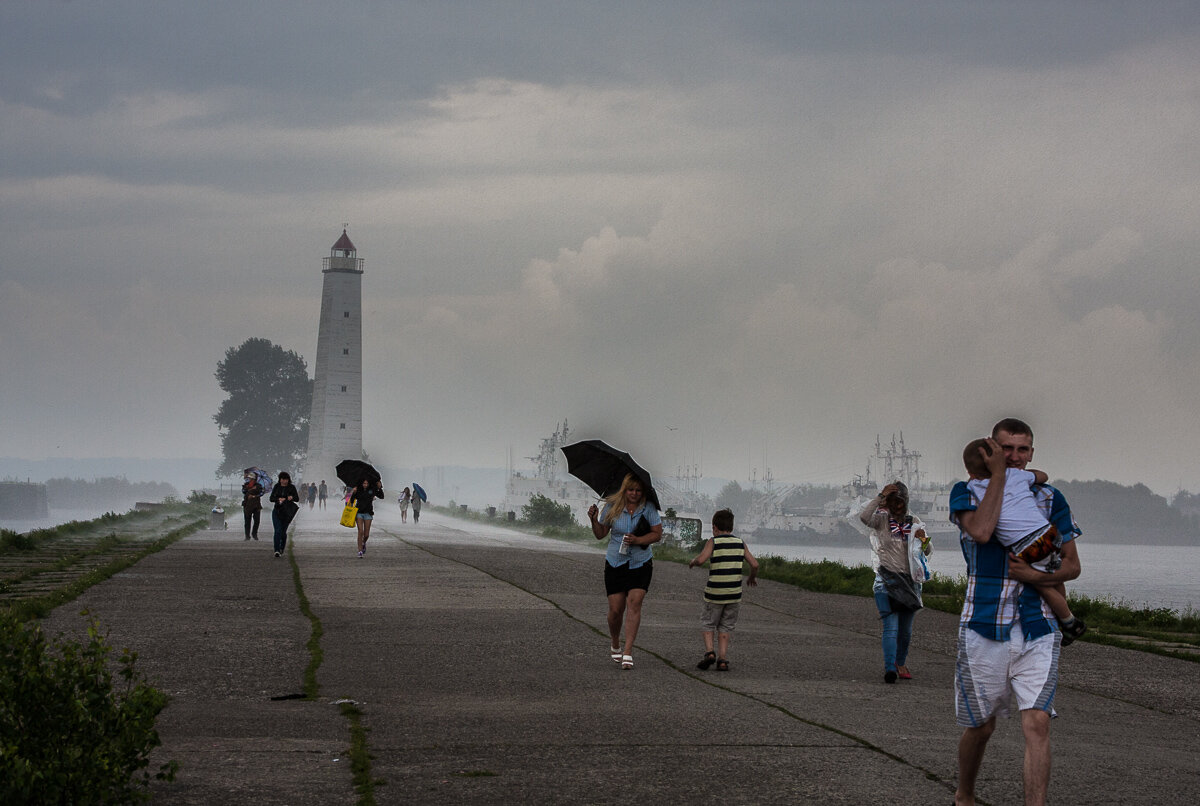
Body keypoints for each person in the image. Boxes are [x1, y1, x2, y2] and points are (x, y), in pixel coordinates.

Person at [952, 418, 1083, 806]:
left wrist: (1032, 574)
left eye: (1021, 450)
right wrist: (998, 477)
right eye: (1005, 449)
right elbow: (982, 531)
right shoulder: (968, 491)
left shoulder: (1049, 497)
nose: (1014, 457)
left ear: (1031, 453)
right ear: (990, 450)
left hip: (1037, 626)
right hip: (984, 623)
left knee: (1037, 721)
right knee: (981, 725)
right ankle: (964, 794)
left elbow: (1072, 566)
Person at [963, 438, 1087, 644]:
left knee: (1040, 583)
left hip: (1028, 544)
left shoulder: (975, 487)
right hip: (1049, 533)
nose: (1014, 456)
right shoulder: (1016, 475)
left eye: (1022, 449)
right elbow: (1043, 475)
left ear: (971, 473)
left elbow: (982, 526)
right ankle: (1063, 616)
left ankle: (1069, 621)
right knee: (1054, 578)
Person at [857, 480, 932, 684]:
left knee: (905, 631)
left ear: (906, 500)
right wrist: (880, 497)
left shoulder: (914, 521)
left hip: (909, 584)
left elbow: (926, 552)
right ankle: (890, 668)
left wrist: (924, 540)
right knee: (890, 627)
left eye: (900, 500)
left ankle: (900, 662)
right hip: (885, 580)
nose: (897, 504)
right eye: (893, 500)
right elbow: (863, 518)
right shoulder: (881, 519)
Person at [587, 473, 663, 670]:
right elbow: (600, 534)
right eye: (631, 490)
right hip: (615, 562)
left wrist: (638, 540)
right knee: (615, 610)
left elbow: (657, 534)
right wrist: (594, 520)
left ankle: (628, 652)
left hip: (640, 562)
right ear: (624, 490)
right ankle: (615, 641)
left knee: (634, 603)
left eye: (638, 491)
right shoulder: (612, 506)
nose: (634, 494)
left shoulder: (648, 508)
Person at [687, 508, 758, 672]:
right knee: (725, 627)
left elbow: (702, 559)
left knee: (708, 623)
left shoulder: (713, 541)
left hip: (715, 593)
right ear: (732, 527)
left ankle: (710, 652)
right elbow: (754, 564)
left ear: (714, 527)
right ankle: (723, 660)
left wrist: (693, 561)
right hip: (734, 595)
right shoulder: (741, 543)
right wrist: (752, 577)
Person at [349, 477, 385, 557]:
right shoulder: (358, 490)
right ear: (361, 484)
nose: (365, 485)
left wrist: (380, 488)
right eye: (364, 483)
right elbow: (351, 501)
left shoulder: (372, 490)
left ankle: (363, 543)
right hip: (359, 513)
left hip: (368, 513)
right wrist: (353, 493)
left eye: (367, 483)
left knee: (366, 535)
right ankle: (360, 551)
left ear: (369, 484)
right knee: (360, 532)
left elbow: (381, 496)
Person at [268, 471, 301, 558]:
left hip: (287, 512)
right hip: (277, 511)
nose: (284, 481)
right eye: (282, 479)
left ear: (288, 480)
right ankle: (276, 550)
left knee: (283, 532)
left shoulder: (291, 487)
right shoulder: (277, 486)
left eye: (286, 479)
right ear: (280, 480)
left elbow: (297, 498)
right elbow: (271, 498)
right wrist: (278, 499)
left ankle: (282, 547)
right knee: (277, 530)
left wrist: (291, 498)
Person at [240, 474, 264, 541]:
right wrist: (248, 489)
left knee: (257, 520)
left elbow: (261, 493)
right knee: (247, 521)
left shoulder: (258, 486)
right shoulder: (246, 485)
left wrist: (254, 496)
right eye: (250, 478)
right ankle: (247, 536)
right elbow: (243, 491)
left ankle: (254, 533)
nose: (251, 480)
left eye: (252, 479)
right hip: (247, 504)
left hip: (256, 505)